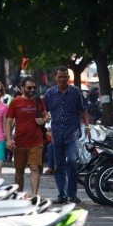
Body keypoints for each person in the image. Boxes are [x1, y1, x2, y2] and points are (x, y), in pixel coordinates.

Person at [43, 65, 90, 204]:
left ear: (69, 78)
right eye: (60, 76)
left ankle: (72, 193)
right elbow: (43, 112)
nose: (62, 79)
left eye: (65, 77)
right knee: (59, 166)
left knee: (72, 161)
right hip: (56, 133)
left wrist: (86, 125)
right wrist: (45, 125)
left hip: (72, 132)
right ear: (55, 78)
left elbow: (83, 110)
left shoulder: (75, 92)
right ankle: (61, 195)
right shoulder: (50, 94)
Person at [5, 76, 47, 196]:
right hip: (20, 142)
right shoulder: (15, 102)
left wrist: (43, 121)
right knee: (19, 171)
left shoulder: (39, 101)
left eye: (34, 87)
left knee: (35, 168)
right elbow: (8, 121)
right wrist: (8, 139)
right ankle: (20, 195)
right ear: (22, 88)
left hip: (36, 141)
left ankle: (34, 195)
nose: (32, 90)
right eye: (29, 87)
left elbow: (46, 115)